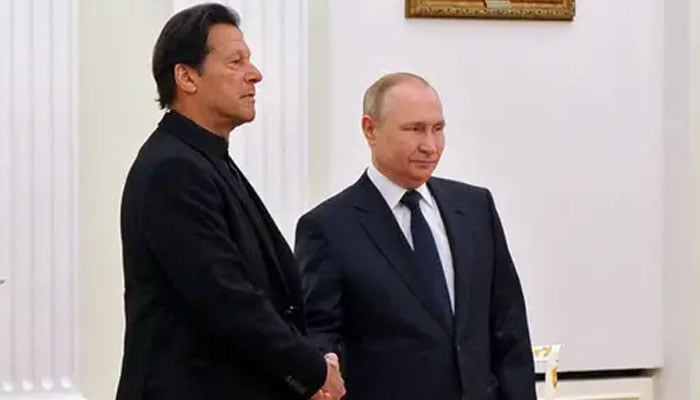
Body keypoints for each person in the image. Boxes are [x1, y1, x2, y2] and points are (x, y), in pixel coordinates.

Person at [116, 4, 344, 400]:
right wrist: (312, 371)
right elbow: (226, 298)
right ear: (186, 76)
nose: (255, 74)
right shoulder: (173, 168)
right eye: (236, 61)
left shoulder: (205, 160)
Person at [295, 72, 536, 400]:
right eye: (414, 129)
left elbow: (509, 329)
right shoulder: (328, 227)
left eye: (438, 129)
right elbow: (321, 334)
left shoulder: (475, 208)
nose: (430, 145)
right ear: (370, 129)